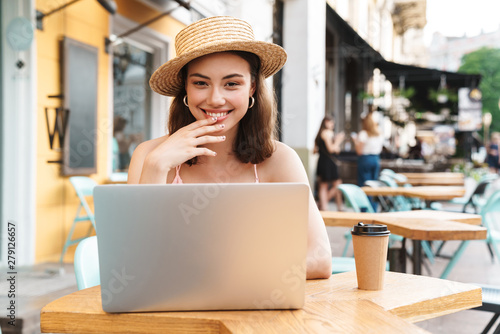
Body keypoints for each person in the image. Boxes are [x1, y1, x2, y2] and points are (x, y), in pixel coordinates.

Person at [127, 16, 332, 279]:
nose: (215, 99)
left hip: (255, 308)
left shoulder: (280, 160)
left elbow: (320, 258)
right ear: (185, 91)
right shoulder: (148, 156)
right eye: (200, 83)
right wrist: (156, 168)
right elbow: (133, 262)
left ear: (252, 88)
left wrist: (222, 272)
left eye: (232, 83)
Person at [354, 107, 384, 210]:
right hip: (375, 159)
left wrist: (355, 141)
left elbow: (359, 151)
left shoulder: (363, 134)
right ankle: (373, 208)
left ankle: (365, 208)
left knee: (365, 185)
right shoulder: (379, 133)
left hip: (365, 159)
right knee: (373, 185)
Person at [314, 116, 344, 211]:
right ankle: (323, 205)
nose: (333, 125)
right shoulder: (327, 133)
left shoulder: (319, 134)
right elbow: (331, 149)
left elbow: (314, 150)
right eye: (331, 123)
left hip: (322, 161)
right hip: (328, 162)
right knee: (337, 184)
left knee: (323, 186)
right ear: (326, 122)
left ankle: (324, 206)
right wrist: (338, 141)